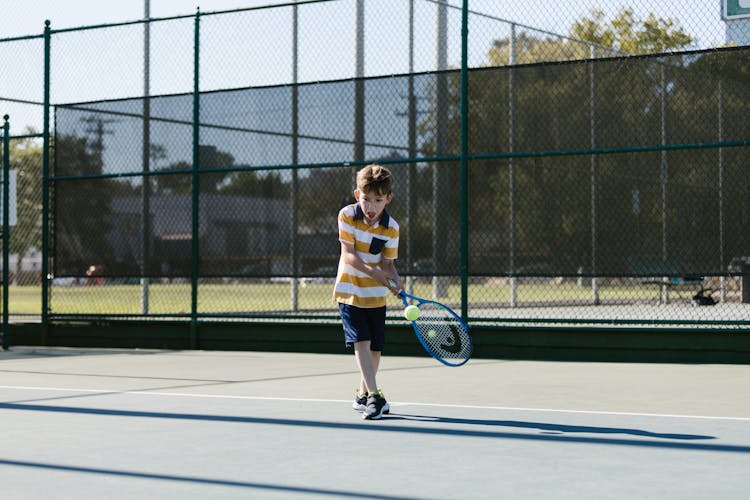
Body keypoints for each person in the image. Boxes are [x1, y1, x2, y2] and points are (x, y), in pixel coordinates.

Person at [333, 164, 401, 420]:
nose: (371, 207)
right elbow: (348, 255)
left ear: (388, 199)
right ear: (356, 194)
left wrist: (395, 280)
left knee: (375, 347)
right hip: (349, 290)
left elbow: (388, 265)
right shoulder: (347, 216)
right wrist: (378, 274)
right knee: (360, 341)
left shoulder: (391, 228)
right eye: (366, 199)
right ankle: (376, 396)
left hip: (375, 295)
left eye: (378, 200)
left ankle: (362, 395)